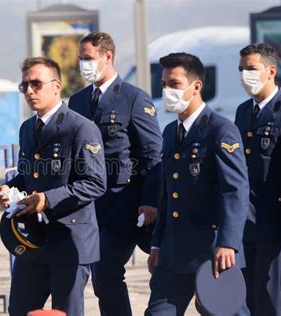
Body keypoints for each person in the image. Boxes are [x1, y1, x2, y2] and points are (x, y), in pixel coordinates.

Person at [0, 57, 106, 316]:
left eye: (36, 83)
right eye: (24, 86)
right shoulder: (28, 128)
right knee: (20, 309)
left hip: (69, 239)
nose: (30, 91)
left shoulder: (80, 128)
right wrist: (6, 188)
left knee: (66, 313)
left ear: (56, 85)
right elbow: (27, 177)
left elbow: (96, 183)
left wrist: (48, 199)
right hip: (33, 241)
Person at [145, 53, 249, 315]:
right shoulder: (170, 132)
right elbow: (167, 195)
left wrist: (228, 242)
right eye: (164, 84)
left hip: (212, 250)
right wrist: (157, 243)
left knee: (228, 312)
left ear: (196, 86)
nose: (168, 90)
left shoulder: (220, 130)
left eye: (175, 84)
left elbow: (235, 190)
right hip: (173, 252)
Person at [68, 31, 162, 316]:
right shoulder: (78, 101)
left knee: (106, 271)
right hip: (87, 205)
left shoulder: (134, 98)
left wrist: (150, 201)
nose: (84, 64)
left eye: (89, 58)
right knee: (95, 277)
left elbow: (153, 154)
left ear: (107, 56)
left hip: (123, 203)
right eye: (81, 59)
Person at [235, 43, 281, 316]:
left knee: (268, 297)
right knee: (244, 299)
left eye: (251, 69)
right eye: (241, 69)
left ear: (270, 71)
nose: (245, 74)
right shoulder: (243, 111)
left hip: (274, 223)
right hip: (244, 223)